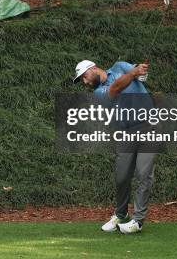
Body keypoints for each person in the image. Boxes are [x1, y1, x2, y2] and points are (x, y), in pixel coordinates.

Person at [72, 58, 155, 234]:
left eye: (84, 76)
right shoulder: (99, 92)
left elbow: (138, 73)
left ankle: (137, 221)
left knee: (143, 174)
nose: (85, 82)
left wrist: (141, 71)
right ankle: (121, 213)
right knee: (122, 176)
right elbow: (116, 88)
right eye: (82, 80)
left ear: (93, 68)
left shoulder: (120, 67)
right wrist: (133, 73)